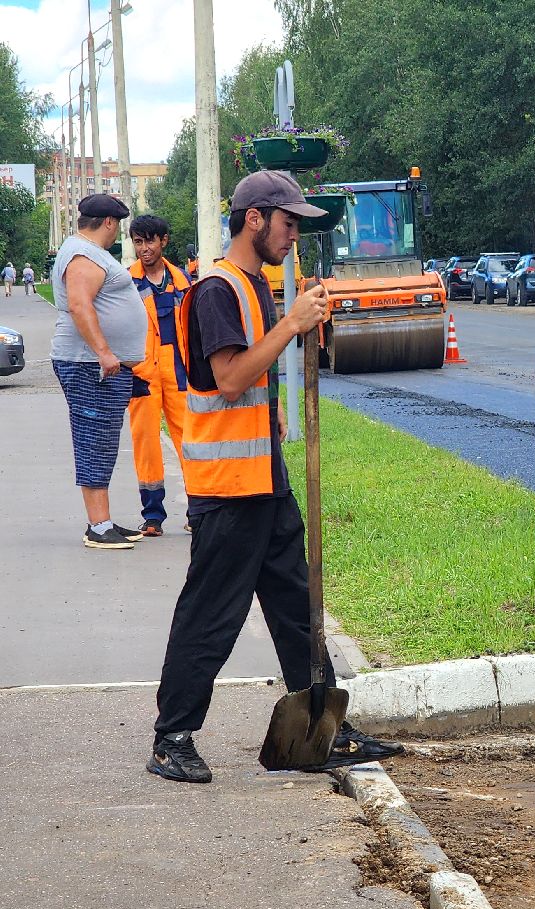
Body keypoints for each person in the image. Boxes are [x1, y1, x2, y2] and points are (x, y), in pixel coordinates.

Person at [148, 170, 403, 784]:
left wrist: (274, 402)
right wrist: (292, 325)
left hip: (265, 478)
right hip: (228, 488)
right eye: (289, 223)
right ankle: (171, 738)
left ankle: (324, 727)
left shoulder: (253, 283)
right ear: (255, 218)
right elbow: (229, 377)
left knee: (296, 606)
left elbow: (253, 377)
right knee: (211, 615)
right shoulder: (216, 289)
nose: (293, 237)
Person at [51, 194, 149, 550]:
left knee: (103, 442)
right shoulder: (83, 255)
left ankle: (103, 519)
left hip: (100, 366)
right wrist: (105, 353)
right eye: (118, 225)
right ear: (109, 222)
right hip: (89, 364)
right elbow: (80, 305)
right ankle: (98, 526)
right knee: (93, 440)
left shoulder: (89, 252)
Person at [127, 214, 191, 536]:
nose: (144, 248)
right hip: (143, 373)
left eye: (149, 241)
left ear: (163, 241)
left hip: (179, 370)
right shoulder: (126, 283)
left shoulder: (182, 281)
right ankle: (153, 515)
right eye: (138, 242)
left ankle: (198, 511)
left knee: (190, 441)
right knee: (146, 442)